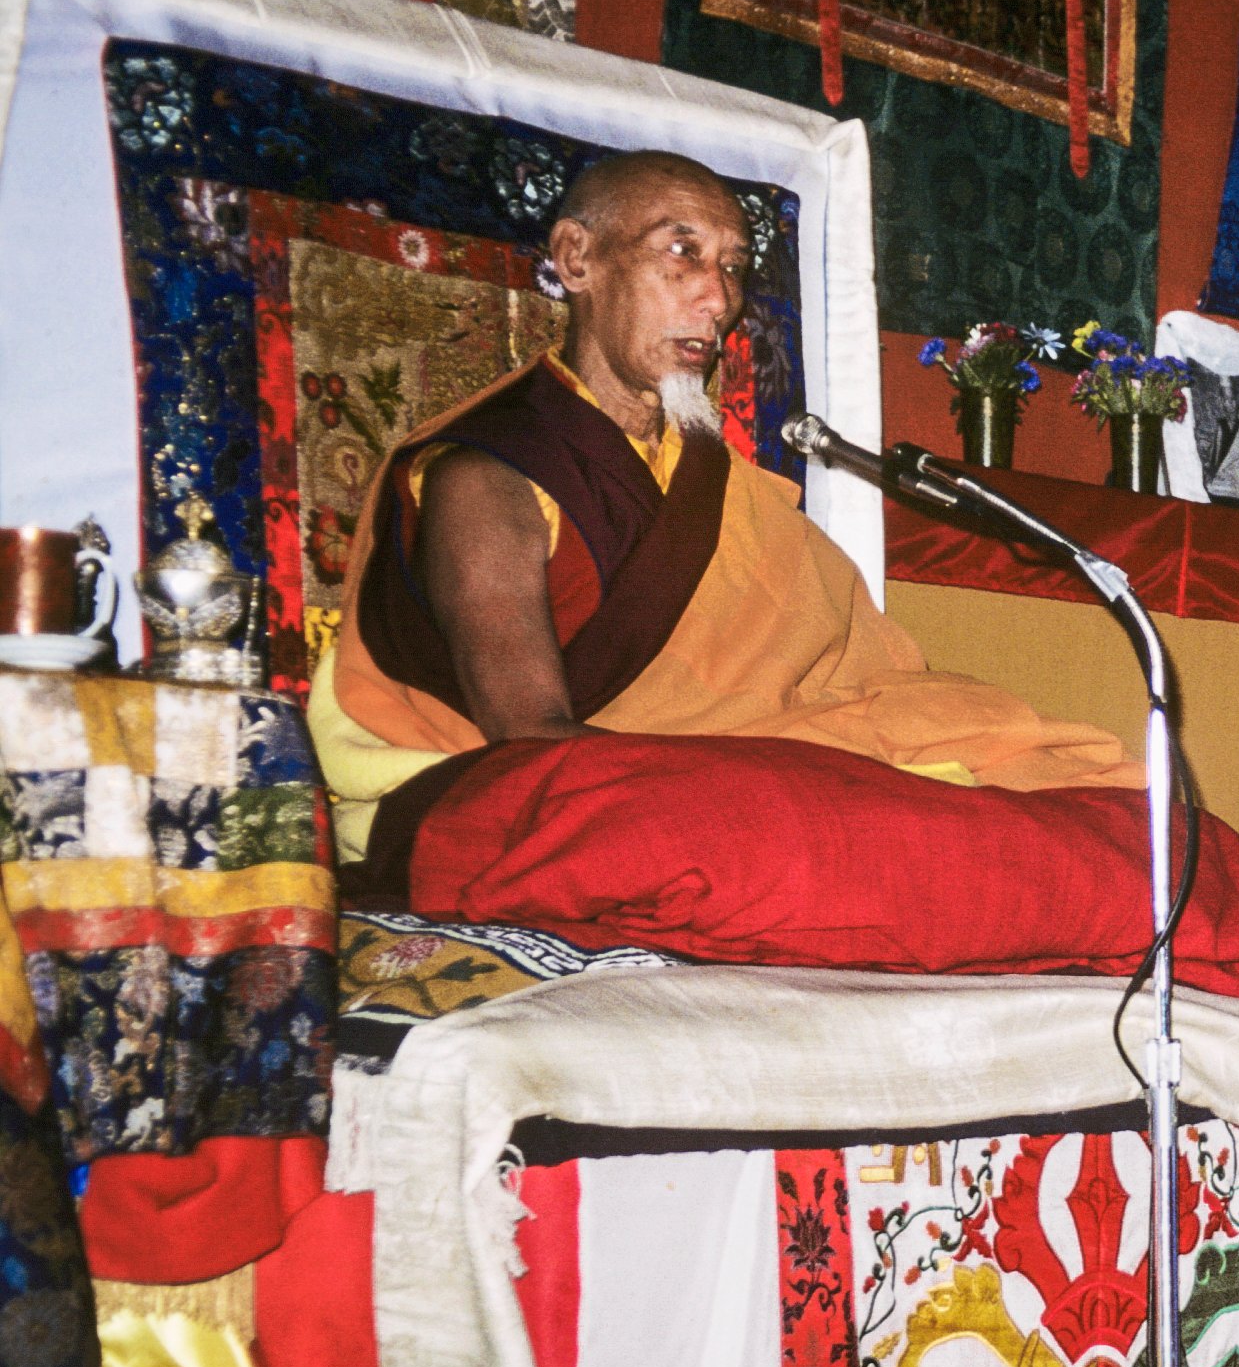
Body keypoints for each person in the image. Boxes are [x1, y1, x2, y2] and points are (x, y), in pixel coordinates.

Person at [312, 150, 1154, 882]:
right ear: (577, 258)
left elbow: (852, 678)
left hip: (713, 774)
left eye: (734, 265)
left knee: (1081, 792)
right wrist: (769, 775)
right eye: (681, 253)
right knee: (843, 818)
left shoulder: (711, 477)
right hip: (535, 805)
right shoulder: (486, 480)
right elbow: (530, 742)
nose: (719, 300)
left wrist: (835, 758)